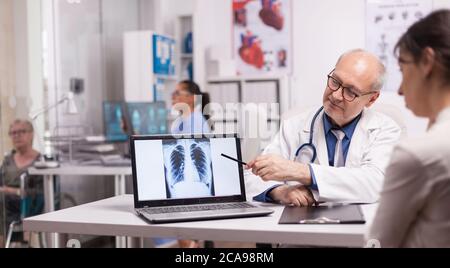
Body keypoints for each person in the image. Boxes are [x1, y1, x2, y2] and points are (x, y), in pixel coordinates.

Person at [247, 49, 401, 206]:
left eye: (350, 91)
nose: (335, 95)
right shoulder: (294, 126)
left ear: (372, 99)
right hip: (303, 224)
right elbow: (253, 177)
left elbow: (375, 183)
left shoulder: (386, 130)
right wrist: (280, 192)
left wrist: (302, 171)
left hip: (360, 226)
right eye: (335, 81)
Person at [368, 9, 450, 248]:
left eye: (403, 70)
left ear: (426, 61)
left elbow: (379, 243)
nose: (401, 89)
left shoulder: (419, 153)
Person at [169, 80, 211, 248]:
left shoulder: (195, 122)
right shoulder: (183, 121)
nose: (173, 96)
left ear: (192, 99)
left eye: (178, 93)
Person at [0, 119, 43, 246]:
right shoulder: (8, 160)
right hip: (5, 203)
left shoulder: (40, 161)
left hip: (29, 204)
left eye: (21, 131)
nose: (16, 135)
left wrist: (14, 191)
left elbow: (42, 193)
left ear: (31, 134)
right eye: (13, 133)